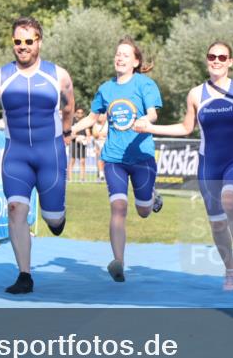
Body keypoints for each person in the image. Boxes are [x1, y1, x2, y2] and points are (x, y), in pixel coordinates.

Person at [0, 17, 75, 295]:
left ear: (39, 42)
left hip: (51, 155)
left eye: (28, 41)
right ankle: (25, 274)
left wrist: (67, 132)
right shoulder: (0, 77)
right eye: (17, 41)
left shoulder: (58, 75)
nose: (22, 47)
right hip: (17, 156)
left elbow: (70, 106)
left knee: (53, 218)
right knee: (16, 210)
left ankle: (57, 216)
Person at [134, 41, 233, 291]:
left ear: (230, 62)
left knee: (230, 199)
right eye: (212, 56)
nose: (216, 61)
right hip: (208, 166)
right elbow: (185, 128)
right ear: (207, 60)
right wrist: (150, 128)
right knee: (216, 223)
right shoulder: (196, 94)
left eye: (222, 57)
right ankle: (230, 269)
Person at [71, 37, 163, 283]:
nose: (119, 57)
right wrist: (69, 130)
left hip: (142, 156)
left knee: (143, 211)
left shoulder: (145, 84)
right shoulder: (106, 89)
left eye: (125, 54)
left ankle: (152, 196)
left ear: (135, 61)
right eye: (117, 53)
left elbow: (153, 113)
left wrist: (147, 120)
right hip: (114, 158)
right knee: (118, 207)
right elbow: (92, 118)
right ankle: (119, 262)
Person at [67, 107, 90, 179]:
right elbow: (70, 133)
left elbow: (88, 133)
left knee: (82, 161)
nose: (80, 114)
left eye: (81, 113)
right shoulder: (72, 121)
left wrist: (85, 138)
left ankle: (82, 178)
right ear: (75, 113)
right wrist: (77, 136)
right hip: (74, 143)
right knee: (72, 160)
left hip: (82, 144)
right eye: (78, 112)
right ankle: (69, 178)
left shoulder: (85, 122)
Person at [92, 113, 108, 181]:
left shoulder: (108, 124)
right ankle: (100, 175)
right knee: (99, 159)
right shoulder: (95, 124)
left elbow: (109, 133)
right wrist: (103, 135)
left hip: (107, 144)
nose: (100, 117)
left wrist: (101, 135)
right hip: (98, 144)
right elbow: (95, 134)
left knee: (105, 161)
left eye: (102, 115)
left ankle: (104, 175)